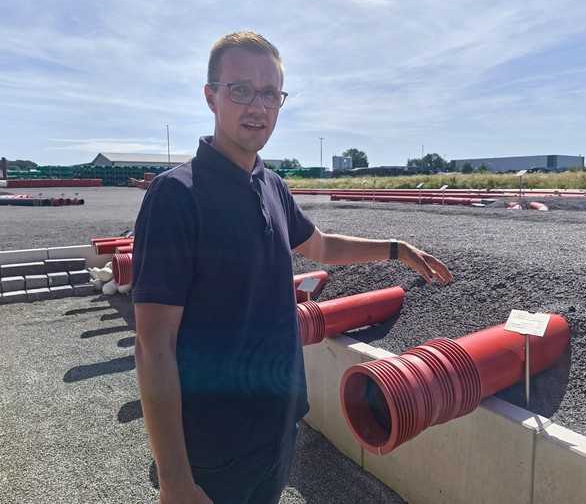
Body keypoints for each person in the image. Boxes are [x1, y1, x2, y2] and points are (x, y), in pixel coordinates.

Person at [132, 31, 453, 504]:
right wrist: (176, 479)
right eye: (240, 89)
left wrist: (395, 249)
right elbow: (152, 346)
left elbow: (320, 246)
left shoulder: (272, 185)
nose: (257, 106)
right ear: (210, 96)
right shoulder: (176, 197)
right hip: (214, 449)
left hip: (278, 427)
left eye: (270, 94)